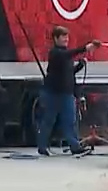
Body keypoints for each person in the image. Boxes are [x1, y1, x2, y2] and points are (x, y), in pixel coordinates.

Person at [37, 26, 98, 157]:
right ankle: (42, 147)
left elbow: (69, 72)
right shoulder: (55, 53)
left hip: (66, 94)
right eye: (63, 37)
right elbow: (67, 55)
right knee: (49, 120)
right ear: (55, 38)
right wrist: (85, 48)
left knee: (70, 121)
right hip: (53, 93)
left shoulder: (65, 55)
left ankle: (75, 147)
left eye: (67, 36)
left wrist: (80, 65)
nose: (66, 39)